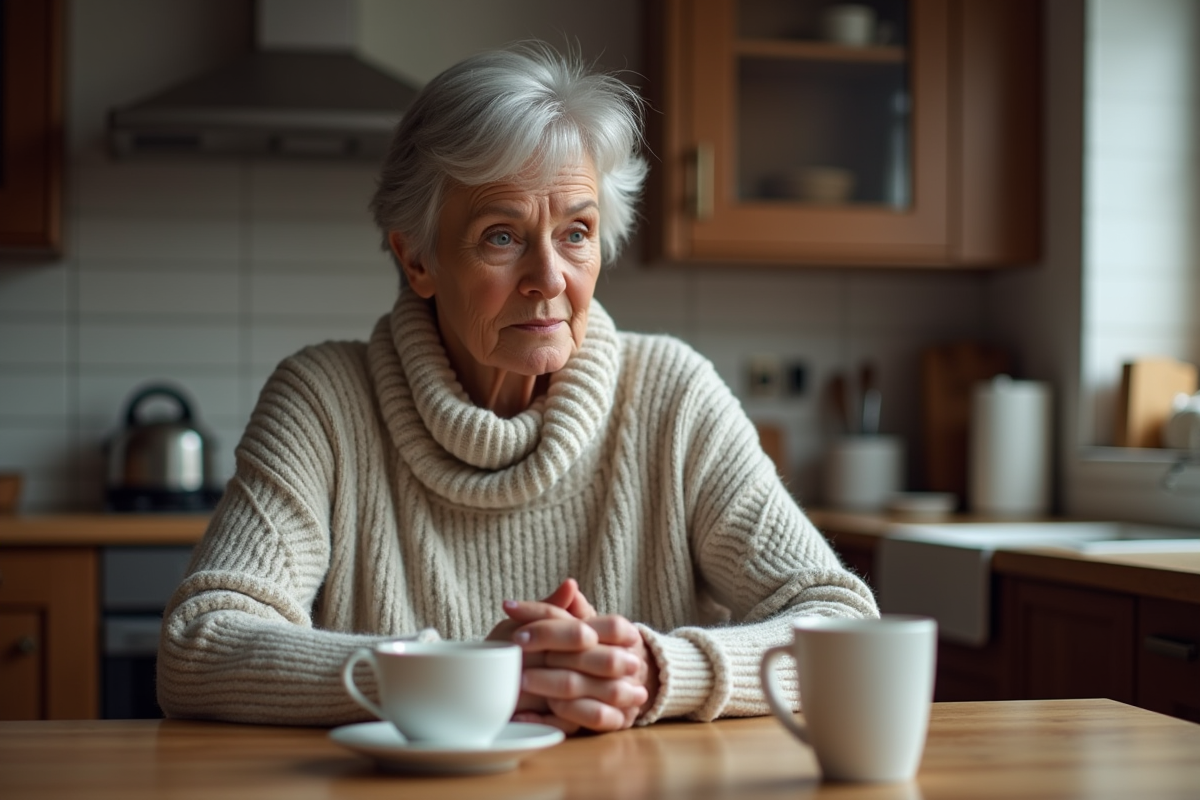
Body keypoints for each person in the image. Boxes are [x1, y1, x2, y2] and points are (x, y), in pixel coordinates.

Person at [157, 41, 878, 734]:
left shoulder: (673, 395)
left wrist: (655, 671)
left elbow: (845, 624)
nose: (549, 278)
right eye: (501, 236)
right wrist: (465, 675)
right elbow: (198, 644)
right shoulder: (324, 402)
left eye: (576, 232)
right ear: (418, 260)